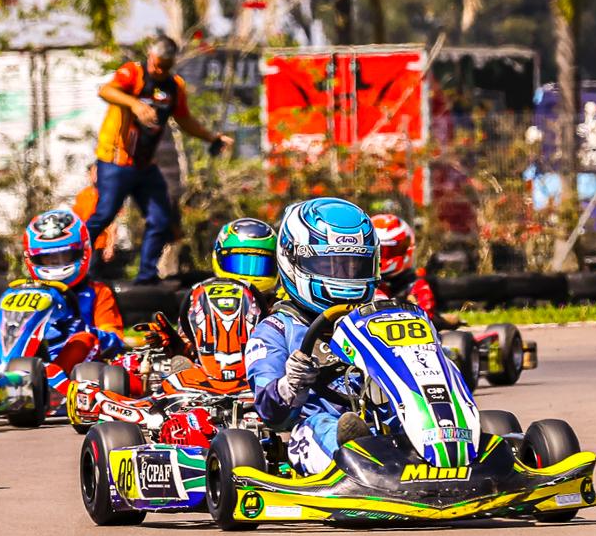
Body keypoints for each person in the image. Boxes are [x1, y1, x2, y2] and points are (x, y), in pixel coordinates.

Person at [244, 198, 379, 476]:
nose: (345, 277)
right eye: (330, 265)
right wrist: (291, 385)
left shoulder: (379, 319)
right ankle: (358, 457)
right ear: (293, 262)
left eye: (355, 267)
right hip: (313, 427)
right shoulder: (275, 330)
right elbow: (271, 414)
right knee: (322, 427)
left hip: (380, 417)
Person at [87, 36, 233, 284]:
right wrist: (134, 104)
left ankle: (146, 276)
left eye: (165, 65)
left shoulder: (174, 86)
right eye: (156, 64)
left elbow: (185, 119)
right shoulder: (132, 73)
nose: (159, 70)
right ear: (150, 57)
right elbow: (105, 90)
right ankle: (82, 270)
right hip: (116, 161)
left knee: (161, 219)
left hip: (145, 165)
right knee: (103, 216)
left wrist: (212, 138)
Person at [142, 217, 279, 356]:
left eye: (258, 265)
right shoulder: (202, 299)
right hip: (206, 369)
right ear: (219, 258)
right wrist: (175, 343)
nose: (248, 274)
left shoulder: (279, 305)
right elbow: (187, 340)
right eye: (240, 263)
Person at [23, 209, 125, 386]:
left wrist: (85, 331)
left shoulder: (99, 292)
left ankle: (49, 383)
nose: (57, 263)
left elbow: (115, 340)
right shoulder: (25, 294)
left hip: (80, 368)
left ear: (82, 252)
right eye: (48, 258)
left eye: (64, 256)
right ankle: (4, 380)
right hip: (31, 359)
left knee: (84, 340)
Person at [372, 212, 436, 318]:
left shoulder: (415, 286)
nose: (383, 256)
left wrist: (404, 305)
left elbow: (426, 317)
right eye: (380, 251)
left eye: (391, 251)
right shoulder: (362, 283)